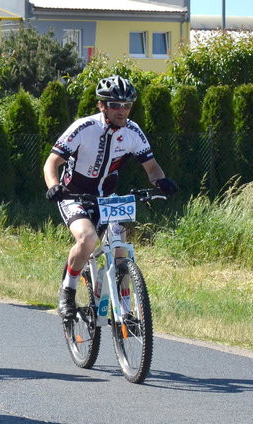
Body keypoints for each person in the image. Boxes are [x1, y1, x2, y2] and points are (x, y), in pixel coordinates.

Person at [43, 75, 178, 319]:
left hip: (108, 197)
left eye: (127, 105)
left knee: (120, 247)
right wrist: (54, 186)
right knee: (87, 239)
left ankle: (124, 307)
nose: (122, 110)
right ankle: (68, 292)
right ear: (101, 105)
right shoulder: (84, 128)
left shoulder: (133, 131)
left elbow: (152, 167)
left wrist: (161, 181)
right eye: (115, 105)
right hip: (74, 195)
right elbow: (52, 162)